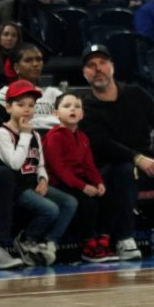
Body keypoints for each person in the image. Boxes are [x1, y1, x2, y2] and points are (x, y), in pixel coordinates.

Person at [80, 43, 154, 260]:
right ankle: (125, 239)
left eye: (102, 63)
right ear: (84, 73)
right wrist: (136, 158)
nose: (98, 69)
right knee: (125, 170)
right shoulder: (86, 107)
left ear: (112, 66)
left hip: (148, 164)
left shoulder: (135, 93)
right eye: (91, 65)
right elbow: (103, 144)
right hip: (113, 169)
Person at [0, 80, 76, 265]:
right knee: (50, 209)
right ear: (8, 107)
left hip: (33, 184)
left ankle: (48, 243)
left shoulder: (35, 135)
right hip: (17, 188)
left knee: (69, 203)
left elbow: (40, 163)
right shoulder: (2, 133)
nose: (27, 109)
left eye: (31, 105)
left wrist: (43, 179)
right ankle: (26, 240)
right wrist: (24, 134)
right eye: (20, 105)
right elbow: (15, 164)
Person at [43, 92, 116, 263]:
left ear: (82, 114)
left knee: (109, 199)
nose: (72, 110)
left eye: (77, 107)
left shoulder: (83, 137)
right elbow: (59, 169)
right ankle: (88, 245)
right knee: (87, 204)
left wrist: (98, 182)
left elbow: (89, 165)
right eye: (67, 106)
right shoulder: (54, 137)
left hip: (81, 181)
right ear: (56, 113)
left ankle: (103, 241)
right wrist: (82, 186)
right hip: (61, 183)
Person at [0, 44, 61, 130]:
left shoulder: (54, 93)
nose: (35, 64)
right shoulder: (3, 95)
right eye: (28, 60)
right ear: (16, 67)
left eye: (39, 59)